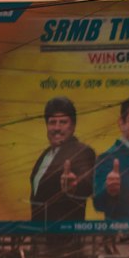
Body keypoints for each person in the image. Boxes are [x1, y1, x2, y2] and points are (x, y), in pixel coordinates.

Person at [29, 96, 95, 226]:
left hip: (66, 238)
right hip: (39, 235)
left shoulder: (82, 151)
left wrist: (74, 186)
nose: (57, 128)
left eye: (63, 122)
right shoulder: (45, 155)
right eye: (52, 122)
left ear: (73, 126)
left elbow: (88, 182)